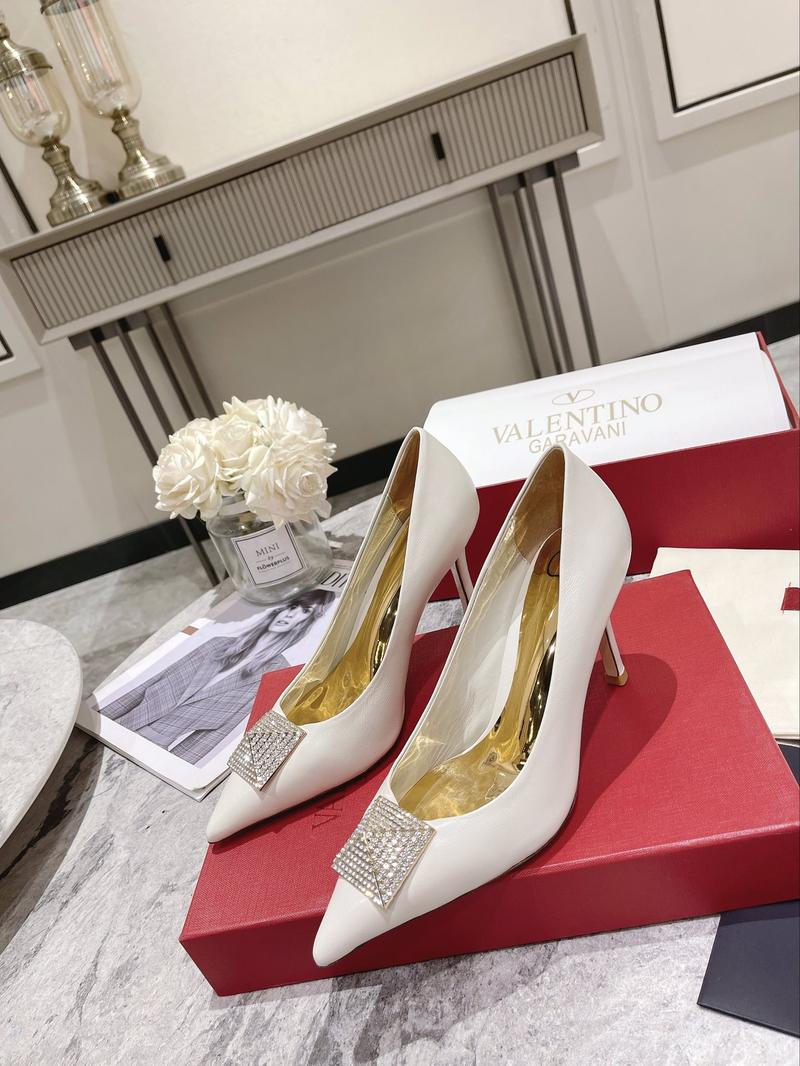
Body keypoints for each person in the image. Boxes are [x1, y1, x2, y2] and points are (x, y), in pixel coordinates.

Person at [103, 589, 335, 764]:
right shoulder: (216, 644)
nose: (291, 614)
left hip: (151, 754)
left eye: (305, 611)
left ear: (306, 623)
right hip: (118, 726)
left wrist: (176, 766)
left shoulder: (278, 672)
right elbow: (148, 683)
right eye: (292, 606)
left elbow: (215, 733)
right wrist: (101, 719)